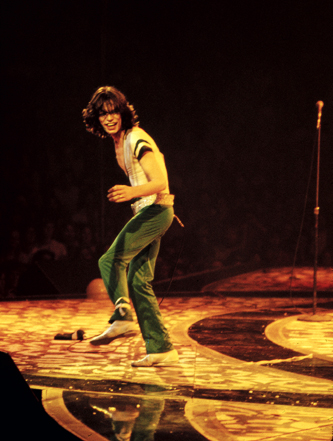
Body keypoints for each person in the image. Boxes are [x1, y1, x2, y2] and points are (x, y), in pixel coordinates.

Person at [82, 86, 178, 367]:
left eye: (113, 112)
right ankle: (161, 348)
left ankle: (122, 317)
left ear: (122, 112)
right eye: (103, 114)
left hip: (156, 210)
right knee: (139, 281)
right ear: (96, 119)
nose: (109, 118)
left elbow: (159, 180)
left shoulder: (135, 136)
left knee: (110, 260)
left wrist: (131, 192)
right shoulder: (120, 141)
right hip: (153, 210)